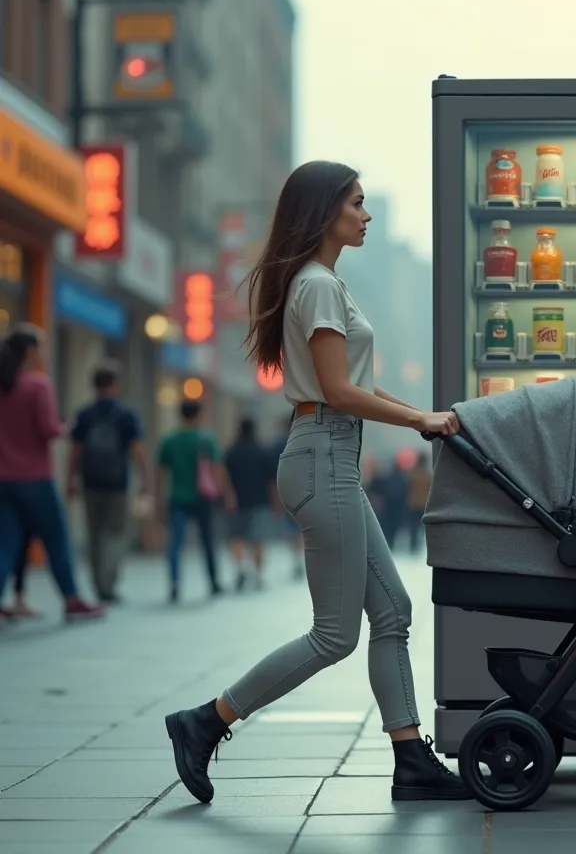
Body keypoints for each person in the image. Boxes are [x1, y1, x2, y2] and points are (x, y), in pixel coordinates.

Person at [163, 160, 468, 806]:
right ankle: (204, 722)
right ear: (326, 209)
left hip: (330, 455)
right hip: (322, 453)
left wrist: (417, 415)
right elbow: (336, 391)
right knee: (334, 634)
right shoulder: (319, 286)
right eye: (357, 203)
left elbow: (351, 382)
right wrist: (417, 417)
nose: (367, 214)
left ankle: (410, 757)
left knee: (393, 611)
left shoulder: (324, 283)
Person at [0, 324, 103, 621]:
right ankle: (71, 599)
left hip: (3, 480)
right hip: (35, 479)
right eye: (41, 347)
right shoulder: (37, 385)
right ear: (30, 351)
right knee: (57, 539)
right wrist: (66, 425)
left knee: (5, 543)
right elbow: (48, 428)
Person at [65, 362, 148, 604]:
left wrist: (70, 478)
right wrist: (144, 478)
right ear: (114, 384)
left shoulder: (84, 414)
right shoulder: (126, 414)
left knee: (94, 532)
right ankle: (108, 583)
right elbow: (137, 449)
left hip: (89, 480)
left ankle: (97, 582)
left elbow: (75, 451)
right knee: (115, 531)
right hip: (117, 481)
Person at [157, 399, 232, 603]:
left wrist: (159, 499)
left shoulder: (169, 440)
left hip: (177, 497)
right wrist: (225, 492)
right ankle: (213, 581)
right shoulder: (206, 439)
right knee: (208, 541)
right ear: (198, 415)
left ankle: (174, 584)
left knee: (175, 542)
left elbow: (161, 473)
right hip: (203, 498)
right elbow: (217, 468)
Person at [223, 417, 276, 590]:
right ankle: (258, 574)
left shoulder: (231, 452)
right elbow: (271, 480)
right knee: (258, 540)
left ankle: (241, 568)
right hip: (259, 501)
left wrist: (227, 496)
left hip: (236, 502)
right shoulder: (261, 452)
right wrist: (275, 502)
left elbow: (224, 477)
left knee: (237, 537)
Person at [270, 416, 305, 579]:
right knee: (301, 527)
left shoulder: (277, 445)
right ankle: (299, 557)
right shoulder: (304, 440)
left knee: (292, 528)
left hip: (284, 489)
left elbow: (272, 472)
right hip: (304, 489)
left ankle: (296, 557)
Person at [405, 452, 433, 552]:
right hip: (424, 504)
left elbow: (407, 488)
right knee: (423, 527)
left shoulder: (412, 473)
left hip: (413, 503)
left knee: (413, 526)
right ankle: (419, 546)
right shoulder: (427, 475)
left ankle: (413, 546)